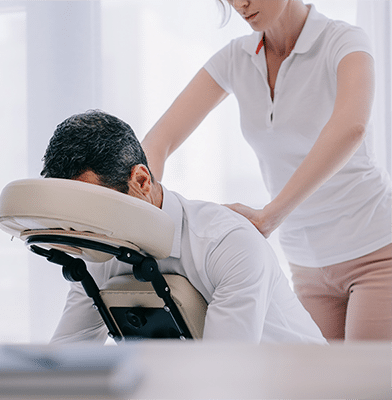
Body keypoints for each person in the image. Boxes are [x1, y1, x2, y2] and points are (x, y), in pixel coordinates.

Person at [141, 1, 392, 341]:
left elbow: (352, 126)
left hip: (375, 252)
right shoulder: (236, 58)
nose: (240, 4)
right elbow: (160, 140)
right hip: (306, 264)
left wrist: (269, 216)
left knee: (368, 387)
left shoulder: (344, 41)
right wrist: (143, 206)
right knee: (316, 389)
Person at [41, 110, 326, 344]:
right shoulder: (100, 254)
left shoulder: (227, 244)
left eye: (94, 208)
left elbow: (224, 379)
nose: (86, 230)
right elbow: (66, 359)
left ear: (141, 181)